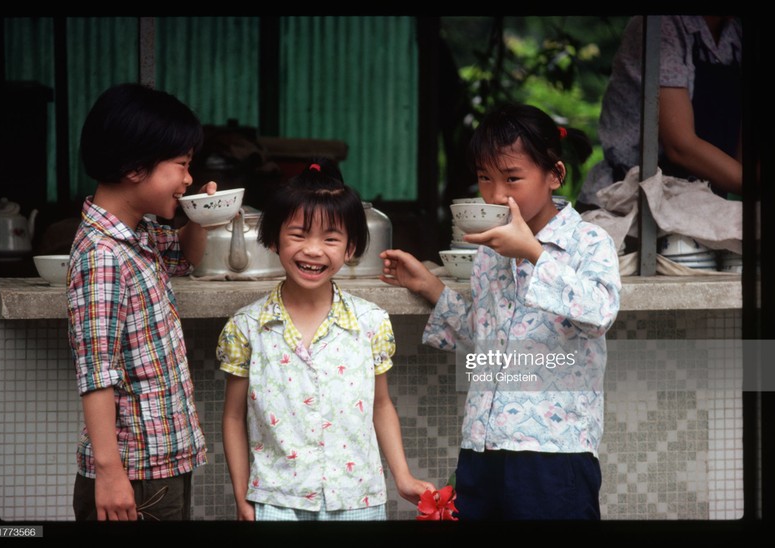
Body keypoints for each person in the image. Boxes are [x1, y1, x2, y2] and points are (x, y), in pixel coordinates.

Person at [380, 103, 621, 520]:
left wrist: (531, 252)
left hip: (553, 453)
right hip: (482, 448)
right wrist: (428, 286)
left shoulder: (589, 241)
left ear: (555, 175)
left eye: (512, 178)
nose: (495, 195)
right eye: (484, 178)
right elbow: (487, 336)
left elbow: (600, 312)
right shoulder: (490, 254)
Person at [217, 158, 434, 521]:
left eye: (331, 238)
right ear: (273, 239)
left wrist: (403, 477)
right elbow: (233, 417)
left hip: (359, 501)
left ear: (350, 249)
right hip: (275, 502)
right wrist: (243, 496)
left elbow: (381, 406)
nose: (314, 250)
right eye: (299, 234)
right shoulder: (247, 327)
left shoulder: (371, 322)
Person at [67, 83, 211, 521]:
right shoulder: (103, 257)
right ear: (134, 167)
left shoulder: (139, 234)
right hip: (132, 474)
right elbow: (97, 373)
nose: (188, 178)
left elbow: (185, 258)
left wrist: (202, 216)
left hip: (160, 463)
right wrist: (110, 474)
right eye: (182, 165)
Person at [578, 15, 743, 211]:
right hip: (630, 206)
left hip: (702, 206)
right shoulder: (660, 25)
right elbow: (681, 146)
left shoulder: (735, 33)